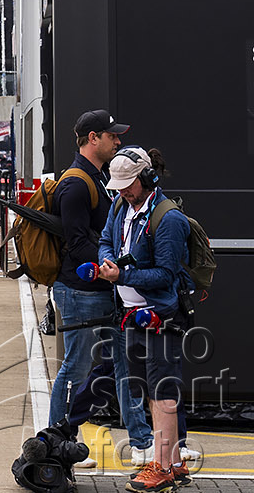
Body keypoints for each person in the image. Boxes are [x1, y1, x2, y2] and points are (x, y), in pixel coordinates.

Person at [96, 147, 192, 492]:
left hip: (160, 316)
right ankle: (173, 462)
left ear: (148, 178)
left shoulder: (169, 220)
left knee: (162, 392)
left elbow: (165, 274)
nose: (123, 191)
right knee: (153, 390)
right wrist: (109, 261)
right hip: (134, 315)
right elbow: (105, 240)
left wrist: (120, 275)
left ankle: (162, 467)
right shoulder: (120, 206)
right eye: (119, 185)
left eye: (128, 184)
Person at [48, 110, 127, 431]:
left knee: (119, 364)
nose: (118, 142)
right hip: (80, 291)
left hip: (98, 289)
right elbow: (78, 243)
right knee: (75, 368)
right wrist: (115, 267)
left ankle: (67, 434)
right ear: (93, 138)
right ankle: (56, 438)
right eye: (112, 136)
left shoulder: (99, 177)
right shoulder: (76, 183)